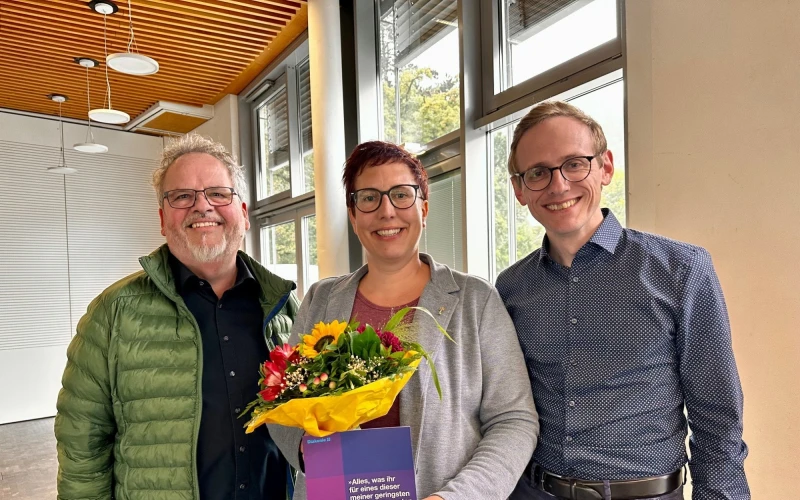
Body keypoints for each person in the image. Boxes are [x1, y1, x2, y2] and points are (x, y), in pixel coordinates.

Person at [497, 101, 750, 500]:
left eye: (575, 164)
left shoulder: (681, 270)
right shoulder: (511, 288)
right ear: (520, 190)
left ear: (606, 167)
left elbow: (717, 418)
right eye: (538, 172)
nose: (559, 185)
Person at [270, 141, 538, 500]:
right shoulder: (320, 299)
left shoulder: (476, 300)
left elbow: (514, 421)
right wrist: (308, 448)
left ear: (424, 208)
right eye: (368, 198)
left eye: (401, 195)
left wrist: (456, 497)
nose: (386, 211)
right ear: (353, 215)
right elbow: (279, 405)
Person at [54, 134, 298, 500]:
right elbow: (81, 443)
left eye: (218, 193)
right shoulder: (113, 313)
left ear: (243, 214)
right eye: (182, 197)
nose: (203, 207)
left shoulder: (285, 307)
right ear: (163, 219)